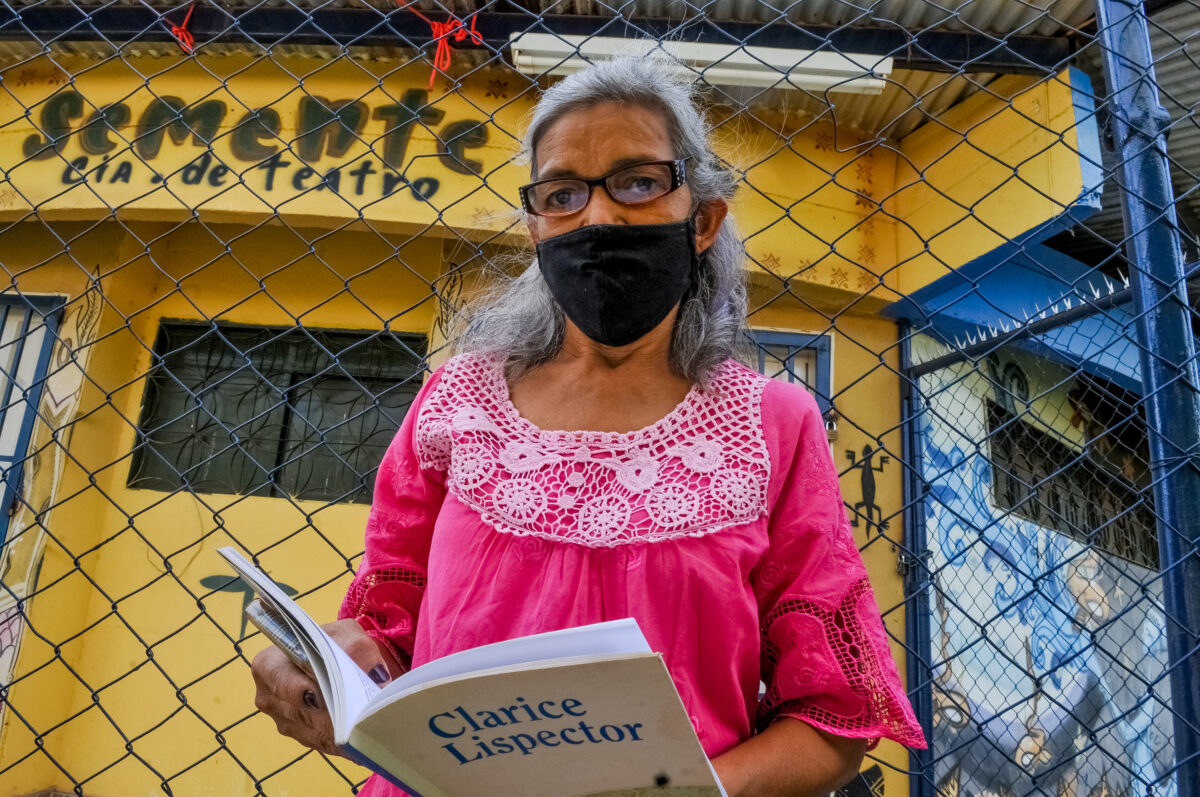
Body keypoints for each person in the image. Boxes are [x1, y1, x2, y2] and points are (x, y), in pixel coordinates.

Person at [251, 56, 926, 796]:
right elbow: (385, 631)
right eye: (564, 193)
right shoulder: (455, 401)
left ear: (702, 219)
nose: (600, 217)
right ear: (537, 225)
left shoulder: (772, 425)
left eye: (638, 182)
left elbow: (834, 720)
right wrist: (321, 662)